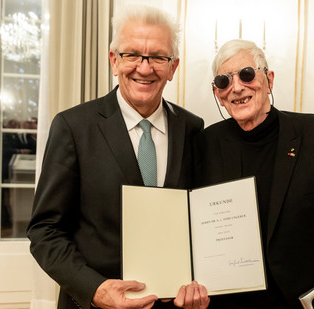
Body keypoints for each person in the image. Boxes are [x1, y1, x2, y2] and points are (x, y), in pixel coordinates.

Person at [27, 5, 208, 309]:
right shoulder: (73, 127)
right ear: (114, 60)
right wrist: (95, 290)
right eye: (132, 54)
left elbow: (199, 221)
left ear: (173, 67)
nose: (144, 67)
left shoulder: (193, 129)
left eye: (158, 57)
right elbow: (45, 231)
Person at [194, 39, 314, 309]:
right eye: (223, 81)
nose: (237, 87)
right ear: (218, 93)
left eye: (246, 74)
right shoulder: (205, 144)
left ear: (269, 79)